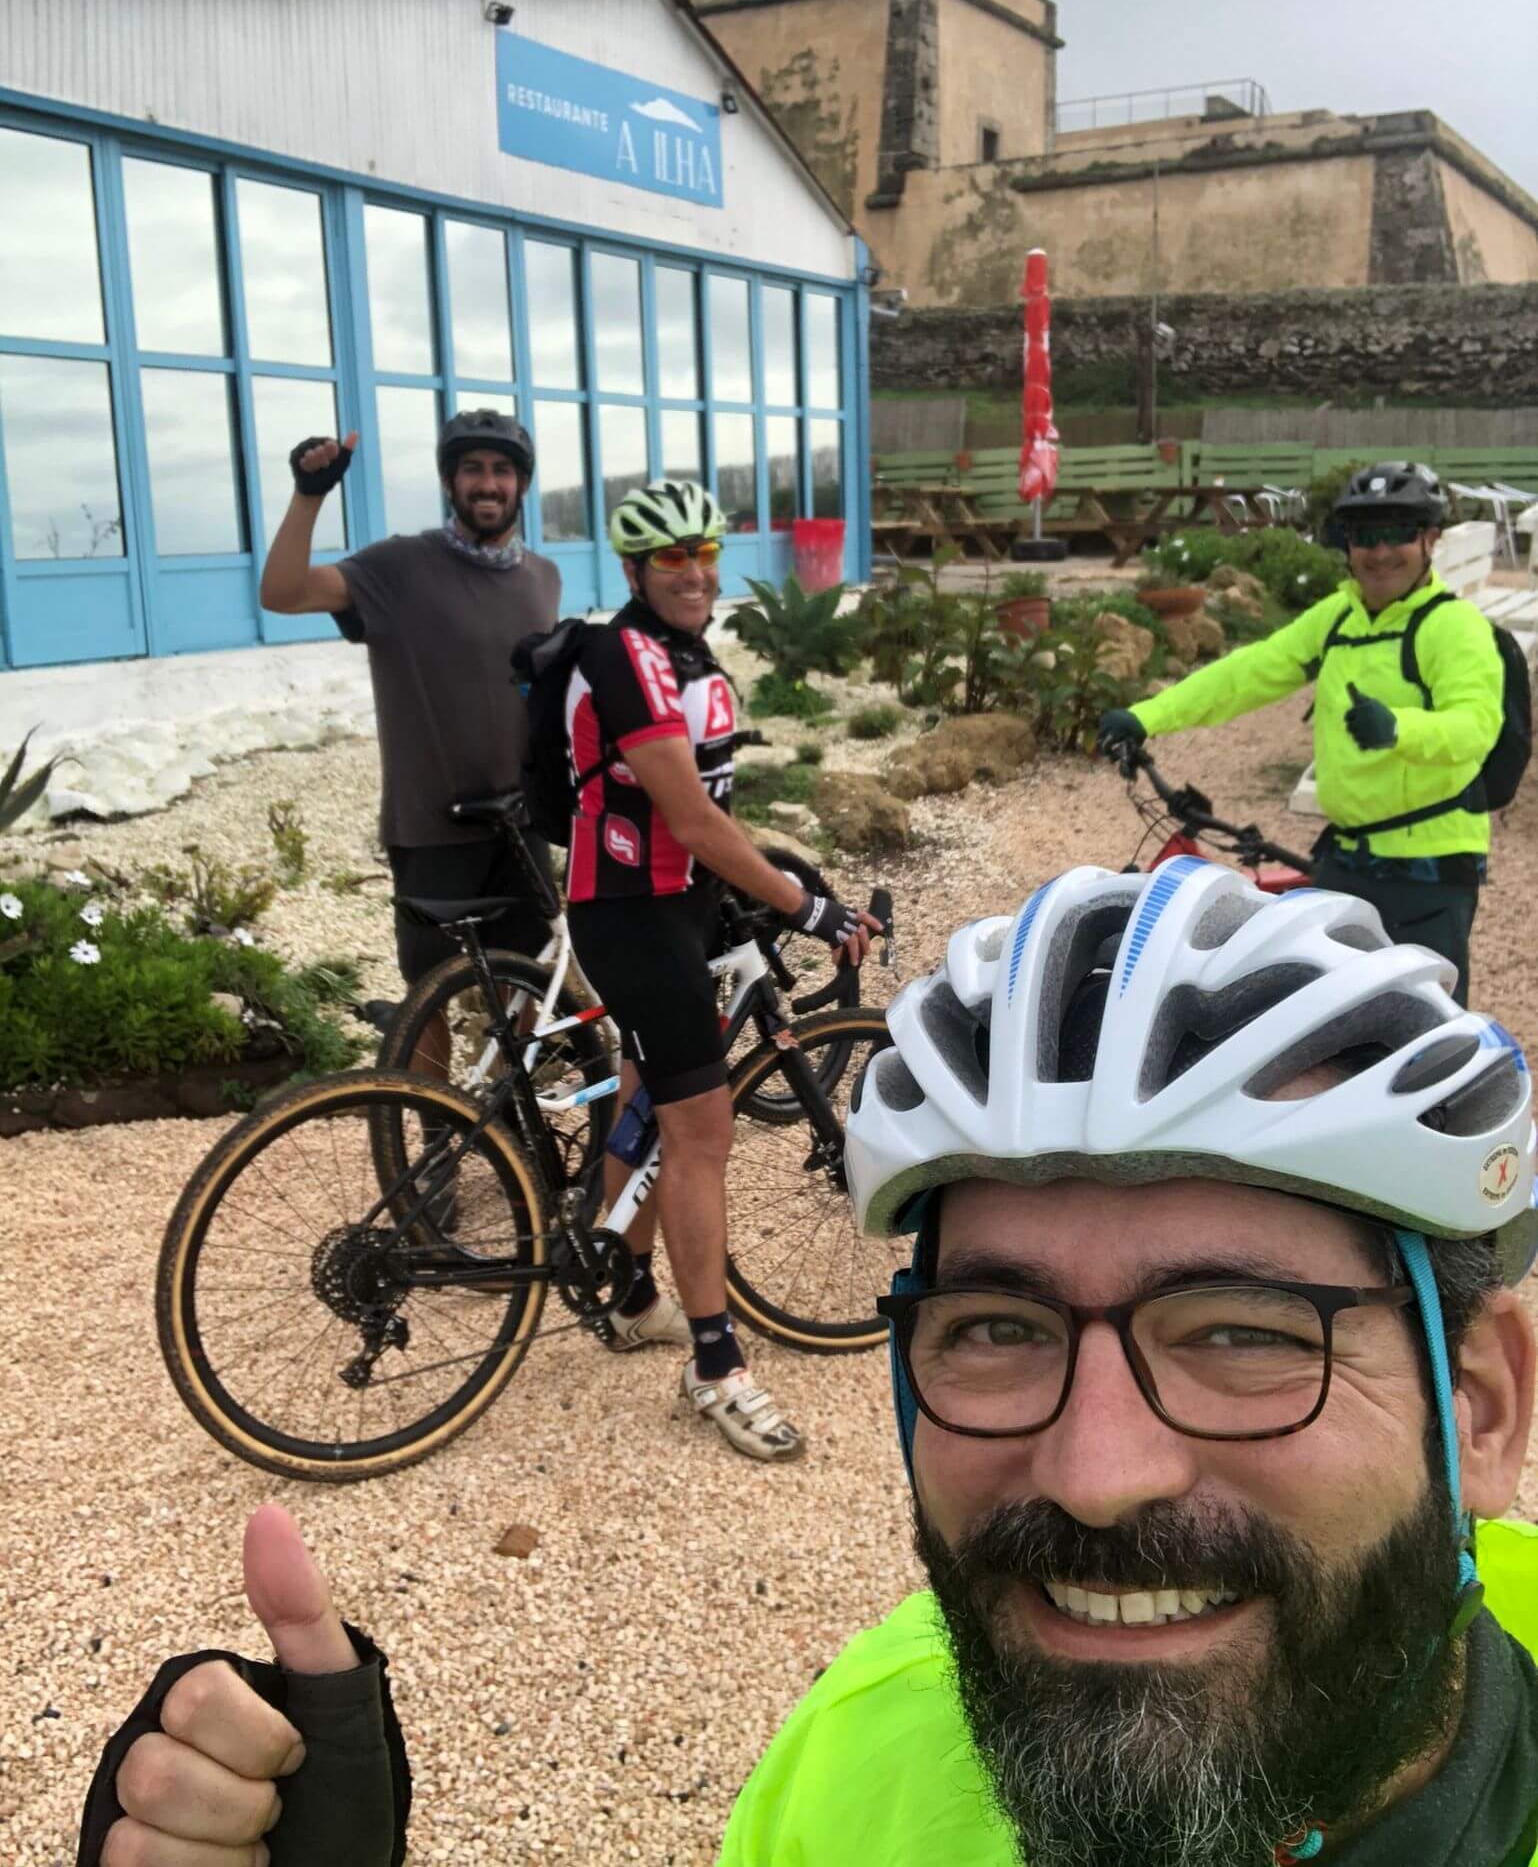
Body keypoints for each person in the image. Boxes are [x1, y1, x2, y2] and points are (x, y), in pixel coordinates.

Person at [76, 864, 1538, 1867]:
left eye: (1236, 1334)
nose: (1096, 1476)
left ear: (1478, 1401)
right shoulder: (860, 1762)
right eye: (997, 1329)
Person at [559, 478, 881, 1460]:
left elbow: (704, 808)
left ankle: (625, 1287)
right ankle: (713, 1365)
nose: (694, 572)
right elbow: (692, 820)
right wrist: (807, 905)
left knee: (650, 1093)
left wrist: (752, 887)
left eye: (703, 552)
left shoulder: (678, 649)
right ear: (633, 569)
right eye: (671, 559)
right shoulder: (625, 655)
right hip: (632, 914)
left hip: (675, 903)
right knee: (701, 1129)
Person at [1098, 462, 1505, 1004]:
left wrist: (1399, 728)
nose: (1381, 552)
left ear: (1430, 539)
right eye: (1366, 537)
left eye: (1399, 533)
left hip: (1427, 872)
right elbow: (1249, 672)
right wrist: (1149, 715)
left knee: (1423, 1027)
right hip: (1348, 856)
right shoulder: (1340, 617)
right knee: (1322, 1015)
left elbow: (1475, 727)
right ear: (1348, 545)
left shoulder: (1453, 628)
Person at [258, 410, 562, 1013]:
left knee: (523, 989)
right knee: (428, 1000)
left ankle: (505, 1109)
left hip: (521, 823)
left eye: (502, 470)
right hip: (432, 828)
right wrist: (308, 496)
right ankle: (424, 1110)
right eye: (471, 469)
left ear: (522, 484)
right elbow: (282, 592)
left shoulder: (543, 577)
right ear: (449, 483)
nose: (488, 483)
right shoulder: (398, 568)